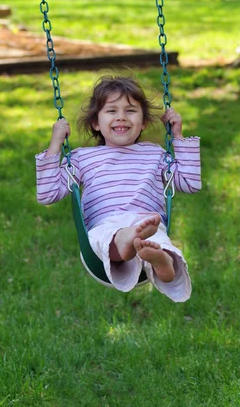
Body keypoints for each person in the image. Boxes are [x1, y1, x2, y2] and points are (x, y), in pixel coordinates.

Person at [35, 75, 201, 302]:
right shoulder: (83, 159)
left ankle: (162, 261)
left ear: (143, 122)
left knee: (160, 243)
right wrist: (55, 143)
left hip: (148, 224)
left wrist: (178, 136)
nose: (121, 117)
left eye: (131, 110)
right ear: (96, 122)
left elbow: (189, 183)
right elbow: (47, 194)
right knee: (106, 236)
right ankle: (126, 240)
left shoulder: (154, 154)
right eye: (111, 111)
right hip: (106, 223)